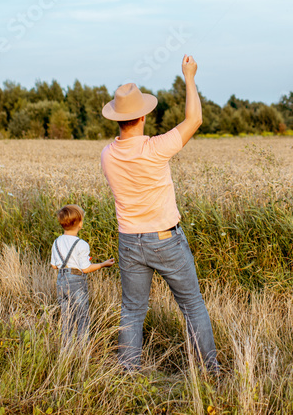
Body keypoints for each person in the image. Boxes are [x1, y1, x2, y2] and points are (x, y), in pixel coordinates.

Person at [100, 55, 219, 373]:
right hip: (165, 239)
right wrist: (189, 76)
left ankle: (128, 374)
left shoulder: (107, 155)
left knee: (133, 311)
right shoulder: (154, 148)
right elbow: (194, 120)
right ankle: (210, 371)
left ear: (117, 119)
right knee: (192, 305)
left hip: (129, 241)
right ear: (142, 117)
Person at [50, 204, 115, 341]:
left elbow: (54, 266)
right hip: (76, 281)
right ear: (80, 223)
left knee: (66, 317)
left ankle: (66, 349)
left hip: (61, 281)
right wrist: (102, 264)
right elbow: (85, 269)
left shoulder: (56, 242)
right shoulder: (81, 244)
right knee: (82, 316)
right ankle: (82, 349)